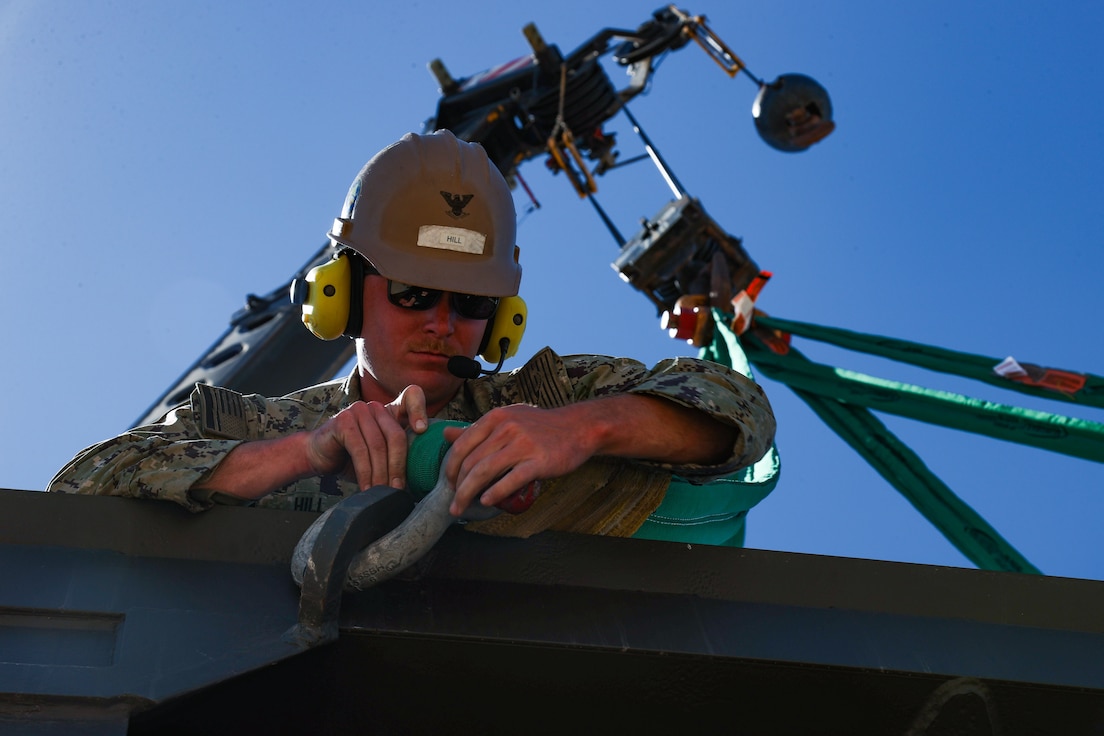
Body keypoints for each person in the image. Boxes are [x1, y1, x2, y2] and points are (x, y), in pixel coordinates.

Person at [49, 129, 776, 543]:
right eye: (412, 291)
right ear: (341, 295)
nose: (440, 321)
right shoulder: (249, 423)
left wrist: (582, 431)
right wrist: (301, 453)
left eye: (470, 302)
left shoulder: (551, 397)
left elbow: (738, 412)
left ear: (500, 319)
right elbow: (81, 487)